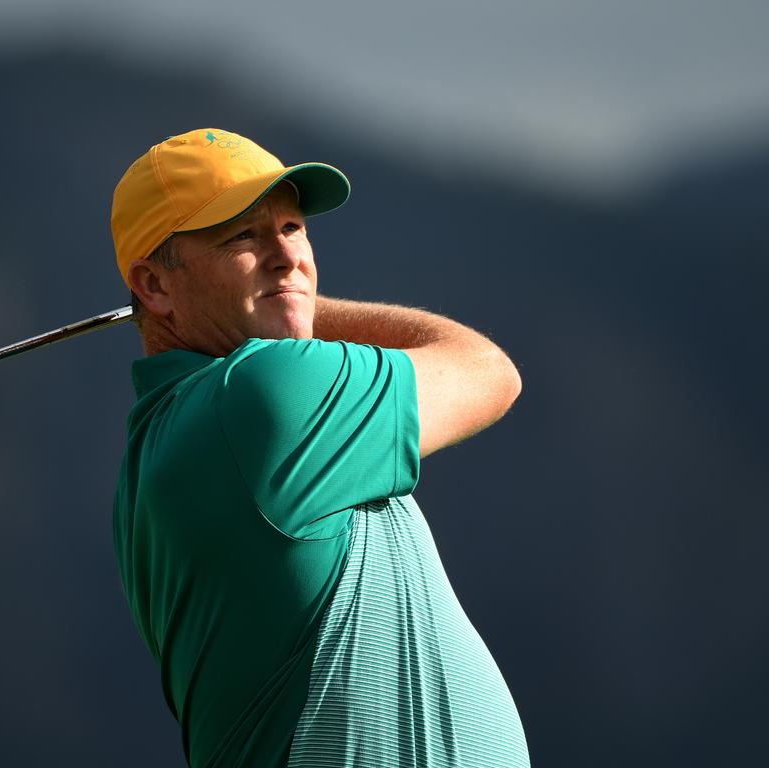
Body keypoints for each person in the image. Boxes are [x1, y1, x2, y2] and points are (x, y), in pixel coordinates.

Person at [110, 128, 529, 767]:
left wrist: (281, 294)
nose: (288, 255)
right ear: (155, 285)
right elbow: (489, 371)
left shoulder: (162, 449)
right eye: (242, 237)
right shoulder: (258, 395)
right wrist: (303, 302)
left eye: (293, 229)